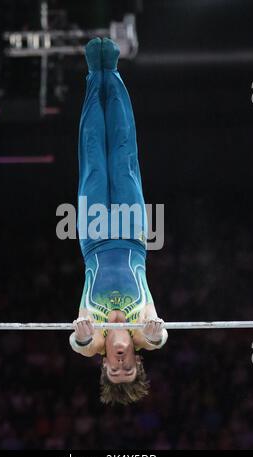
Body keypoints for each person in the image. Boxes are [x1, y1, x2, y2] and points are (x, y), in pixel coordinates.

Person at [69, 37, 168, 405]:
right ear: (137, 361)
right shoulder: (143, 334)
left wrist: (80, 335)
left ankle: (95, 75)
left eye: (114, 370)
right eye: (129, 369)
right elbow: (159, 339)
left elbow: (79, 345)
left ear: (105, 365)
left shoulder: (94, 339)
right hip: (131, 235)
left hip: (93, 237)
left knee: (94, 153)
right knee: (124, 151)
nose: (121, 363)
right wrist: (157, 331)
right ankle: (112, 72)